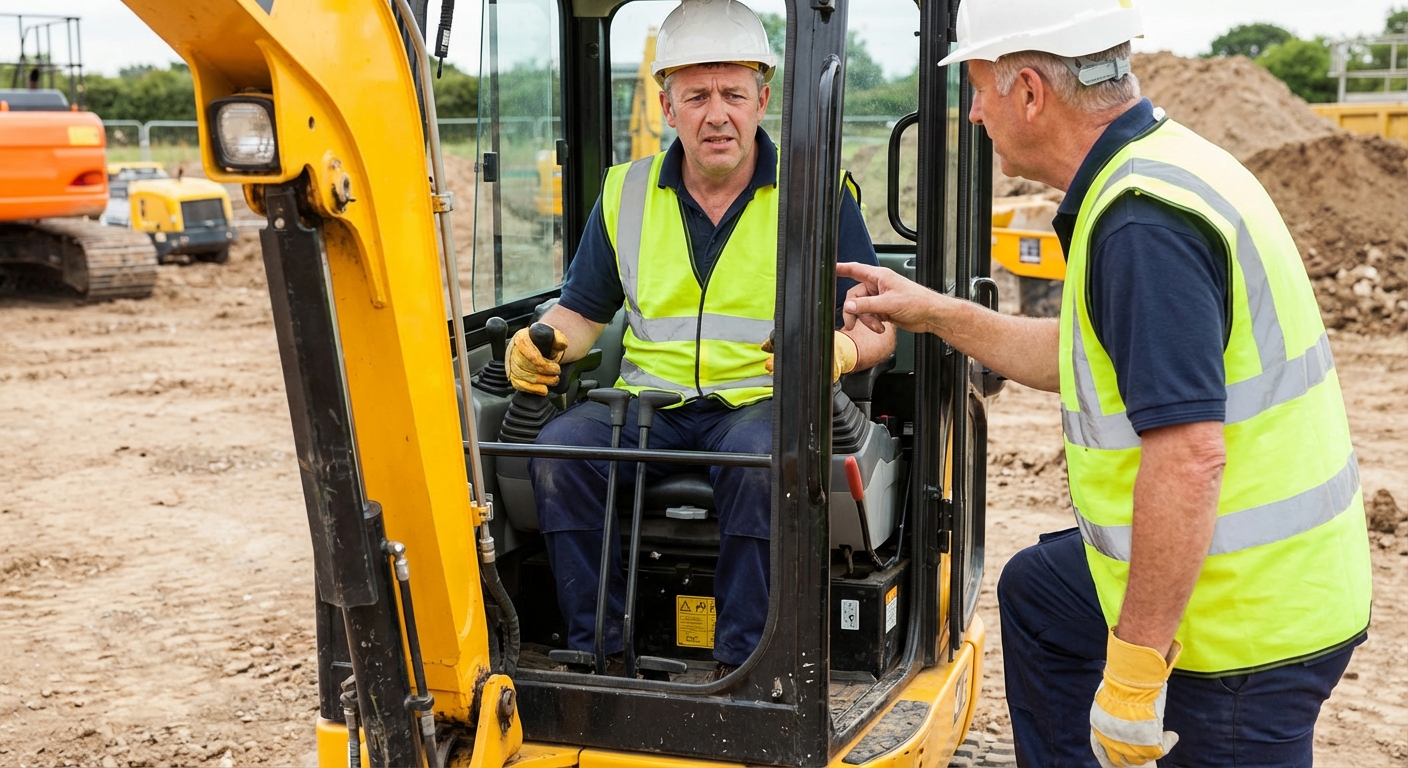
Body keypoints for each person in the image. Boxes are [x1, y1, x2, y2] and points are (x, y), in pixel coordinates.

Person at [836, 0, 1371, 764]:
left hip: (1244, 626)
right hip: (1256, 574)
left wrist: (1134, 671)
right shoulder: (1164, 163)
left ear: (1029, 90)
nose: (977, 112)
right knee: (1038, 598)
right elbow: (1085, 355)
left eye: (982, 89)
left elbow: (1188, 456)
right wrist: (937, 313)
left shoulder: (1141, 223)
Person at [510, 0, 895, 680]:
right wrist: (540, 345)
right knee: (559, 451)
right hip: (645, 406)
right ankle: (598, 655)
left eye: (733, 95)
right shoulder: (624, 193)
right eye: (696, 96)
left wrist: (839, 350)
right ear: (667, 106)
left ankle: (746, 666)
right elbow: (579, 312)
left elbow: (876, 324)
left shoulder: (818, 193)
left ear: (763, 99)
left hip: (758, 403)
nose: (717, 115)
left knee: (763, 460)